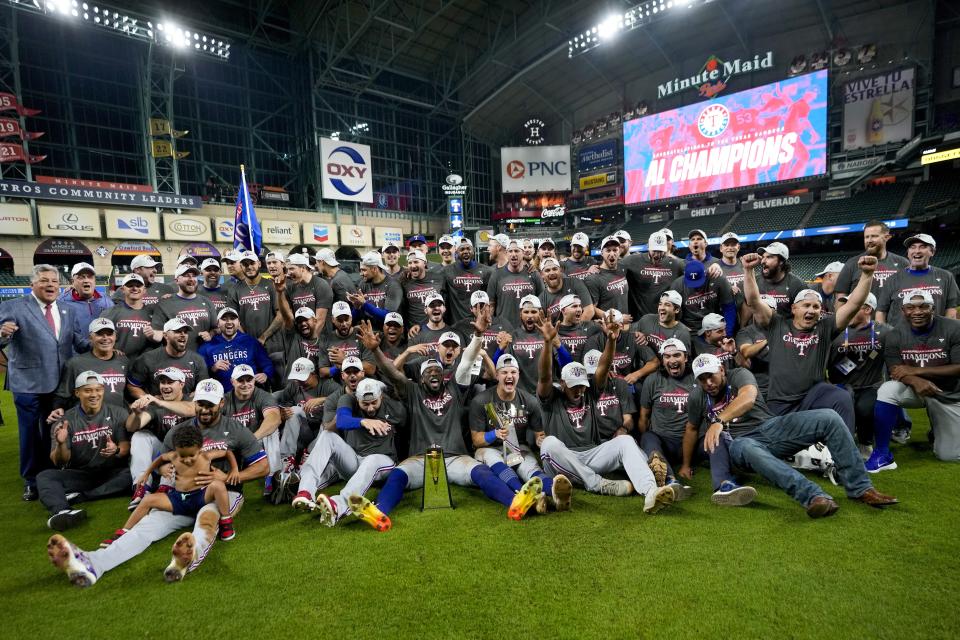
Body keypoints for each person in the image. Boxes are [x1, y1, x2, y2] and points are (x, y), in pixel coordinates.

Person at [46, 378, 268, 588]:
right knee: (145, 528)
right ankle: (94, 563)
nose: (205, 409)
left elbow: (263, 467)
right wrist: (164, 469)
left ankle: (187, 558)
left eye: (210, 404)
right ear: (194, 403)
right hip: (181, 496)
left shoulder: (237, 429)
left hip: (220, 494)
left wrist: (228, 477)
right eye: (200, 403)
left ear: (221, 403)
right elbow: (161, 461)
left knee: (207, 519)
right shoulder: (179, 432)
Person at [358, 316, 544, 527]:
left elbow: (466, 362)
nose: (434, 374)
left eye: (437, 371)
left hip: (455, 457)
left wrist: (478, 336)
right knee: (398, 475)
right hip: (421, 458)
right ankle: (379, 513)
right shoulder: (412, 391)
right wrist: (375, 351)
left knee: (481, 472)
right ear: (420, 379)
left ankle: (515, 503)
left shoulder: (454, 388)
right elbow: (393, 373)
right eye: (429, 372)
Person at [688, 354, 898, 518]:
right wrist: (685, 464)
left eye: (711, 375)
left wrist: (718, 421)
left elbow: (748, 397)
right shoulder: (697, 396)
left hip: (770, 428)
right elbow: (691, 429)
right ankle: (814, 496)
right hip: (739, 444)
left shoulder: (739, 375)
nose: (708, 383)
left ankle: (860, 488)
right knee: (749, 447)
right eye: (702, 379)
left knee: (829, 417)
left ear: (722, 370)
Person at [535, 314, 676, 512]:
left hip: (593, 453)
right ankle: (598, 484)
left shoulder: (590, 391)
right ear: (563, 384)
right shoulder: (551, 398)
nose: (580, 390)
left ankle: (651, 492)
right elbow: (544, 376)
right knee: (549, 444)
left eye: (582, 385)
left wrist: (611, 340)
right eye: (574, 387)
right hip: (563, 459)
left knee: (626, 441)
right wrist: (548, 343)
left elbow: (603, 367)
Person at [742, 252, 877, 436]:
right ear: (794, 308)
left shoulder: (825, 327)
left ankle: (845, 451)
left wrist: (867, 275)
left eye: (816, 307)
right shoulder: (777, 324)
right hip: (780, 401)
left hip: (813, 396)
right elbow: (753, 301)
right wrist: (748, 270)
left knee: (841, 396)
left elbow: (854, 304)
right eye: (806, 305)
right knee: (778, 446)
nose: (811, 310)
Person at [1, 264, 88, 501]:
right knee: (30, 434)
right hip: (28, 383)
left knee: (57, 431)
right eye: (44, 281)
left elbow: (78, 342)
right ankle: (31, 480)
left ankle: (55, 474)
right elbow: (1, 339)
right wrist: (3, 334)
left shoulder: (67, 310)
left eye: (54, 281)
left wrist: (103, 345)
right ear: (32, 284)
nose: (50, 285)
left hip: (59, 384)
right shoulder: (13, 306)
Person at [867, 289, 960, 471]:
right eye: (910, 307)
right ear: (903, 311)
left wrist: (916, 371)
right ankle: (882, 453)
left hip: (950, 394)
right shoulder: (895, 334)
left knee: (948, 455)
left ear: (933, 308)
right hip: (917, 390)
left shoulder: (954, 328)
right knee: (888, 389)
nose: (917, 312)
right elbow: (895, 369)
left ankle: (939, 430)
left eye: (923, 306)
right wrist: (916, 381)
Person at [470, 354, 573, 515]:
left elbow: (540, 433)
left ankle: (555, 493)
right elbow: (476, 440)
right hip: (490, 447)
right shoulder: (481, 400)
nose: (509, 376)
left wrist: (541, 440)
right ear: (496, 375)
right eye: (504, 372)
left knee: (530, 468)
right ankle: (527, 494)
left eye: (513, 372)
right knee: (493, 459)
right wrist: (494, 434)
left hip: (518, 446)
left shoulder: (529, 401)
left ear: (518, 375)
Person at [292, 378, 402, 527]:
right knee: (326, 435)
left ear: (381, 397)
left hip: (384, 462)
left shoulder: (395, 408)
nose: (370, 408)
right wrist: (363, 421)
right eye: (365, 403)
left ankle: (339, 505)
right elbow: (342, 421)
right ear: (357, 398)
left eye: (374, 402)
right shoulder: (347, 399)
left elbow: (409, 429)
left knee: (371, 460)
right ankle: (305, 492)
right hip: (355, 461)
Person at [114, 423, 238, 544]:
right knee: (148, 499)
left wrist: (234, 469)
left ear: (200, 449)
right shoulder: (173, 456)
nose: (187, 459)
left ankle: (226, 521)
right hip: (178, 499)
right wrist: (146, 473)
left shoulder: (206, 456)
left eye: (191, 455)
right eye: (182, 455)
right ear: (176, 450)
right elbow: (161, 458)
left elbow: (227, 452)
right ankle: (124, 530)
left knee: (218, 485)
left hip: (201, 497)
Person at [38, 371, 131, 530]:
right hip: (81, 474)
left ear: (103, 390)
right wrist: (61, 444)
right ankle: (62, 511)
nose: (94, 394)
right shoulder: (64, 421)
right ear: (77, 393)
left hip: (112, 472)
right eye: (88, 390)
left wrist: (116, 450)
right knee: (45, 476)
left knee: (134, 474)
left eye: (98, 389)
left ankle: (81, 497)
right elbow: (58, 461)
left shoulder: (119, 413)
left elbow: (125, 447)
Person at [827, 292, 889, 456]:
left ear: (867, 309)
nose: (847, 309)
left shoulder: (885, 332)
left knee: (864, 408)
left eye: (853, 305)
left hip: (871, 385)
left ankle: (865, 443)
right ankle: (838, 444)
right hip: (840, 385)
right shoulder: (835, 331)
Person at [125, 367, 189, 510]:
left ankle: (165, 489)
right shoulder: (155, 404)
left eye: (170, 382)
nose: (165, 386)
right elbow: (131, 427)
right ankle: (142, 488)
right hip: (162, 453)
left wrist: (160, 402)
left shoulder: (190, 401)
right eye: (163, 382)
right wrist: (136, 414)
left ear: (182, 384)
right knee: (140, 436)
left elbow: (190, 409)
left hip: (185, 455)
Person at [876, 233, 959, 326]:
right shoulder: (893, 279)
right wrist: (884, 336)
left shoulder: (946, 276)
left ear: (932, 252)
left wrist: (946, 334)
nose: (917, 251)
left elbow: (951, 310)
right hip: (900, 338)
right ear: (908, 252)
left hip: (935, 336)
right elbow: (881, 312)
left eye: (922, 247)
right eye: (912, 247)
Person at [52, 318, 129, 412]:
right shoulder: (75, 363)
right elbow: (62, 395)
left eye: (109, 334)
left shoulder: (123, 360)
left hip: (117, 421)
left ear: (115, 337)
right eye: (99, 334)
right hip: (87, 422)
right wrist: (58, 408)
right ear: (90, 337)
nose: (105, 338)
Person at [198, 307, 275, 392]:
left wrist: (266, 374)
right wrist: (213, 368)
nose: (229, 322)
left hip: (250, 394)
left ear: (239, 323)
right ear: (218, 324)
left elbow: (267, 365)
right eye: (224, 319)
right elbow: (199, 375)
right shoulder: (207, 347)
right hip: (222, 396)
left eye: (232, 318)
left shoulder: (251, 342)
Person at [128, 318, 208, 398]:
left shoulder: (198, 360)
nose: (183, 334)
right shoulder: (148, 358)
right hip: (157, 409)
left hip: (185, 408)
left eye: (185, 332)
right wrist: (149, 399)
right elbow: (132, 386)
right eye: (177, 331)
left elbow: (204, 388)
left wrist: (196, 395)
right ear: (165, 335)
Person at [834, 219, 909, 299]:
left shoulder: (903, 263)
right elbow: (840, 297)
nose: (869, 240)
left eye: (874, 236)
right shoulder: (851, 264)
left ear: (887, 237)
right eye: (866, 237)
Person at [151, 263, 218, 352]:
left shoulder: (207, 302)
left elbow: (216, 328)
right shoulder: (165, 303)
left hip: (205, 357)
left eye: (194, 276)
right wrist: (150, 334)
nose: (191, 279)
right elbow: (157, 334)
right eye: (186, 276)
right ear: (177, 280)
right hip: (177, 359)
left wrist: (210, 334)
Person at [622, 231, 685, 318]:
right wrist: (596, 267)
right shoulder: (632, 261)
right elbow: (610, 268)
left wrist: (711, 265)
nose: (657, 255)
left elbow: (697, 270)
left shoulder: (675, 264)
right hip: (641, 320)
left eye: (660, 251)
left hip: (666, 319)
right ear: (648, 246)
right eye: (654, 250)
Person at [101, 274, 159, 359]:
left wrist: (154, 336)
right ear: (122, 289)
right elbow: (98, 338)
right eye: (130, 285)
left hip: (145, 364)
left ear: (144, 290)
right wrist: (110, 349)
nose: (134, 288)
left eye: (138, 285)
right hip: (117, 362)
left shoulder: (154, 313)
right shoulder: (110, 313)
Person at [670, 260, 736, 335]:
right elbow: (672, 313)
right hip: (690, 327)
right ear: (684, 274)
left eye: (698, 281)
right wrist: (680, 327)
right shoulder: (677, 285)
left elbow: (729, 308)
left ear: (705, 273)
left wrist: (727, 333)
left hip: (715, 326)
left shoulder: (718, 279)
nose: (696, 285)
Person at [487, 239, 541, 328]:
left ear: (523, 253)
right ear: (507, 254)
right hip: (504, 328)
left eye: (517, 251)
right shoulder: (496, 275)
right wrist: (490, 326)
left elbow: (541, 302)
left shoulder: (533, 274)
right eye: (510, 251)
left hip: (528, 328)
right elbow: (491, 304)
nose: (513, 254)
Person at [317, 301, 375, 377]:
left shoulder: (362, 335)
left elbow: (371, 369)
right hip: (337, 386)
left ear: (351, 318)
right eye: (340, 320)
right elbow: (322, 372)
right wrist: (337, 368)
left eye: (346, 319)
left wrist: (345, 361)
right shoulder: (326, 339)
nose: (344, 324)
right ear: (333, 320)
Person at [443, 238, 492, 324]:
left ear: (473, 251)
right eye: (462, 249)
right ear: (457, 252)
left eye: (468, 248)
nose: (465, 251)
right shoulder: (447, 271)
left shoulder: (486, 271)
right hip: (456, 324)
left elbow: (491, 299)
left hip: (480, 321)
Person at [754, 242, 807, 318]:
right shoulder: (755, 281)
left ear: (781, 261)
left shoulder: (797, 285)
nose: (762, 261)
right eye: (763, 257)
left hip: (786, 329)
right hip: (760, 328)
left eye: (769, 257)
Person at [634, 290, 692, 354]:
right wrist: (636, 335)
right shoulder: (646, 320)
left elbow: (683, 361)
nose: (662, 308)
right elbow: (629, 335)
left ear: (676, 310)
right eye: (660, 304)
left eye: (667, 305)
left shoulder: (682, 333)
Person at [58, 262, 113, 330]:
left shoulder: (106, 300)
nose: (86, 280)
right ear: (72, 282)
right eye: (81, 277)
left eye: (90, 277)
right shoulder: (62, 302)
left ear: (94, 281)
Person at [285, 252, 334, 328]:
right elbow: (289, 318)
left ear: (303, 268)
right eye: (287, 269)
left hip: (320, 337)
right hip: (300, 337)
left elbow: (320, 321)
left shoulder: (321, 285)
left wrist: (311, 340)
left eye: (291, 268)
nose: (288, 273)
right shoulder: (290, 287)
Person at [538, 258, 595, 322]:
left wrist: (575, 331)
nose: (552, 273)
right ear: (542, 275)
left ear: (560, 271)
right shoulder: (541, 299)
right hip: (557, 331)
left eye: (555, 269)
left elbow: (589, 311)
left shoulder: (575, 283)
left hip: (580, 328)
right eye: (547, 270)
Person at [351, 251, 402, 321]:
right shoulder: (363, 284)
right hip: (367, 329)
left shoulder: (393, 285)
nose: (361, 274)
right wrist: (356, 307)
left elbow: (388, 316)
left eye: (364, 270)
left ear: (375, 269)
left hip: (387, 331)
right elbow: (353, 319)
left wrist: (365, 304)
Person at [586, 236, 630, 316]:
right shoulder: (593, 277)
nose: (612, 254)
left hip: (625, 324)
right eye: (608, 250)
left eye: (615, 250)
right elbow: (591, 308)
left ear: (619, 251)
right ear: (602, 253)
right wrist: (616, 318)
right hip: (608, 326)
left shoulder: (623, 268)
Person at [401, 249, 445, 327]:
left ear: (425, 263)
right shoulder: (404, 281)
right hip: (415, 330)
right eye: (410, 263)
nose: (413, 265)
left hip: (437, 328)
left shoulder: (438, 278)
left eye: (416, 262)